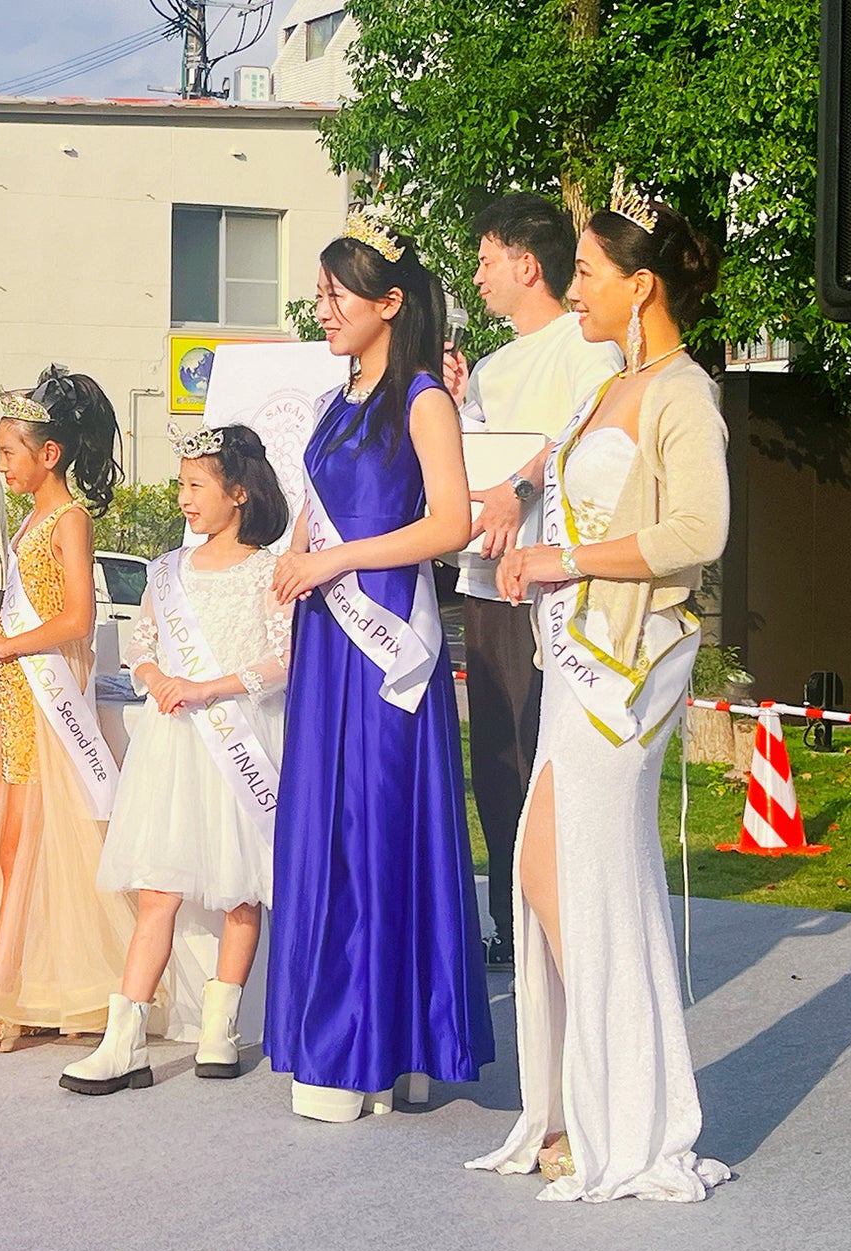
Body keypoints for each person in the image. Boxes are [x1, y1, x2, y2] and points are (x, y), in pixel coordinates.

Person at [467, 171, 731, 1201]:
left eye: (586, 271)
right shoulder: (604, 387)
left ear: (641, 284)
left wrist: (565, 559)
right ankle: (598, 1086)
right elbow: (555, 474)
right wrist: (521, 521)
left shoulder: (682, 393)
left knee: (592, 871)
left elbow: (699, 531)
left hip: (630, 666)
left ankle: (621, 1102)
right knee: (542, 863)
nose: (573, 289)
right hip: (576, 659)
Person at [265, 213, 494, 1122]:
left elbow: (451, 523)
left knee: (375, 823)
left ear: (389, 301)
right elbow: (317, 509)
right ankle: (360, 1040)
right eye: (321, 294)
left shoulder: (423, 398)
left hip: (385, 640)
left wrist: (335, 560)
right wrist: (296, 557)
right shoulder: (338, 401)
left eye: (337, 295)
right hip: (328, 638)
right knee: (325, 824)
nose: (323, 310)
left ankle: (373, 1046)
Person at [60, 424, 291, 1095]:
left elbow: (286, 656)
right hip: (174, 747)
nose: (184, 498)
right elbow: (141, 643)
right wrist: (157, 675)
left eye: (196, 485)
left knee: (240, 890)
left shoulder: (267, 572)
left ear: (238, 492)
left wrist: (210, 687)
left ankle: (221, 1028)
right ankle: (123, 1041)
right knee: (159, 887)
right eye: (182, 485)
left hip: (239, 739)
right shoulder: (166, 571)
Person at [0, 367, 132, 1058]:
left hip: (49, 702)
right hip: (21, 697)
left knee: (42, 840)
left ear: (50, 453)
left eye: (10, 452)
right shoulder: (31, 521)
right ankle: (35, 985)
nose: (4, 464)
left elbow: (77, 617)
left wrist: (8, 642)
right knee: (16, 847)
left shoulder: (70, 519)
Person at [446, 195, 624, 970]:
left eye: (487, 259)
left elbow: (583, 433)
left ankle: (560, 920)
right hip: (488, 582)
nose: (478, 276)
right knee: (493, 757)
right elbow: (469, 465)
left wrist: (518, 490)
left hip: (557, 585)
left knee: (542, 754)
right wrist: (454, 403)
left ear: (527, 263)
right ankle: (509, 920)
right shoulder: (488, 369)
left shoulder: (585, 348)